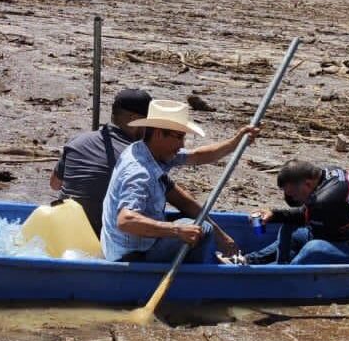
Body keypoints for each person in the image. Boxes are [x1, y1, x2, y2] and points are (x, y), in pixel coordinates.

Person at [101, 99, 259, 263]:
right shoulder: (140, 172)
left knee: (196, 222)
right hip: (130, 255)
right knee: (200, 228)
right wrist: (176, 230)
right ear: (158, 134)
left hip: (135, 244)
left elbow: (198, 156)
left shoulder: (150, 151)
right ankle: (196, 273)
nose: (182, 144)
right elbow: (125, 220)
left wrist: (236, 142)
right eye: (179, 137)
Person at [250, 159, 349, 265]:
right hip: (343, 234)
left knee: (312, 249)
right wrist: (274, 214)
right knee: (288, 229)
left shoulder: (325, 201)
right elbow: (302, 213)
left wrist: (279, 216)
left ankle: (286, 277)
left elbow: (304, 219)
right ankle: (254, 261)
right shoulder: (327, 172)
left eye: (293, 193)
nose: (291, 198)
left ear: (307, 184)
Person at [50, 88, 152, 235]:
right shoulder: (135, 155)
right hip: (101, 240)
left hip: (62, 231)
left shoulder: (78, 141)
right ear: (133, 119)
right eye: (149, 122)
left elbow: (54, 184)